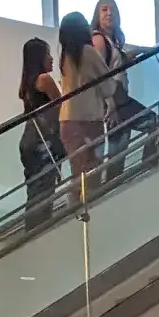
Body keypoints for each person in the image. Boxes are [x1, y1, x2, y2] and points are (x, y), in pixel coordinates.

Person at [90, 0, 158, 170]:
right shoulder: (99, 39)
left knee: (117, 157)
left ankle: (117, 188)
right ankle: (148, 171)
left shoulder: (111, 42)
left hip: (117, 101)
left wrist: (141, 50)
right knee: (157, 125)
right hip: (117, 101)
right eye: (104, 10)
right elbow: (99, 73)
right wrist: (111, 104)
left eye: (113, 10)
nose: (109, 13)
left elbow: (116, 64)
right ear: (97, 16)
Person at [55, 13, 115, 191]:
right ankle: (91, 215)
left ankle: (75, 215)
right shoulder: (88, 52)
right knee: (92, 174)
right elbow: (109, 87)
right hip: (89, 120)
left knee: (77, 176)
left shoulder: (65, 57)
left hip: (67, 121)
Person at [17, 36, 65, 210]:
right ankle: (38, 228)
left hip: (30, 140)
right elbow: (62, 106)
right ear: (39, 58)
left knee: (35, 191)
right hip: (42, 140)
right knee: (44, 191)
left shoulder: (27, 84)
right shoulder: (44, 79)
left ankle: (32, 230)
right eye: (47, 54)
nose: (51, 58)